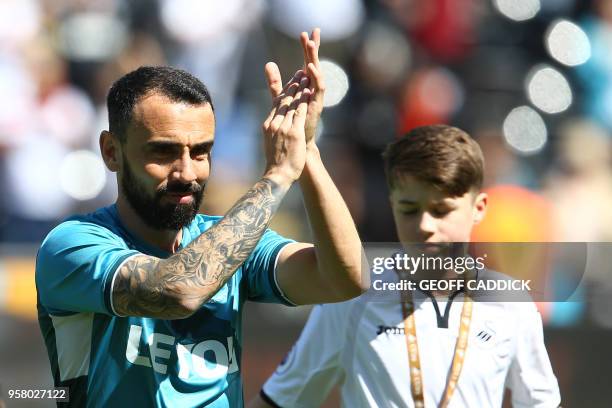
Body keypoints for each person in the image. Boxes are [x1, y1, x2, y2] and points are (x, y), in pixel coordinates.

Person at [36, 29, 367, 407]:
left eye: (201, 152)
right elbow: (179, 291)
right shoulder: (73, 245)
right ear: (112, 152)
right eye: (163, 152)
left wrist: (306, 152)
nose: (186, 173)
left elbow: (345, 278)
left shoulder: (228, 241)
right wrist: (276, 176)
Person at [250, 125, 561, 408]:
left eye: (441, 210)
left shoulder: (511, 304)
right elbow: (280, 401)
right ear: (392, 206)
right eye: (409, 210)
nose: (425, 225)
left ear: (478, 208)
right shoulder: (351, 298)